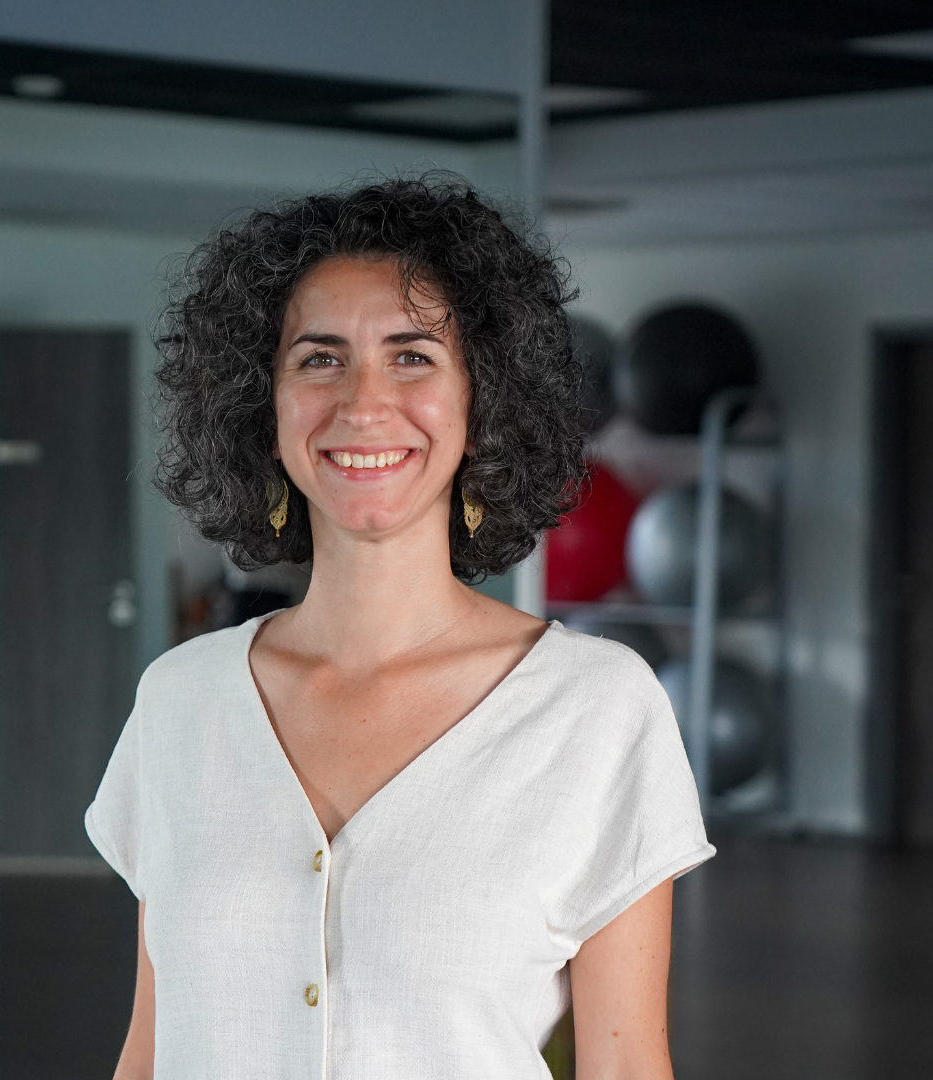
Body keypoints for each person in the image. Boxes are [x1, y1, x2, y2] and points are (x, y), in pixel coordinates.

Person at [86, 175, 714, 1080]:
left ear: (480, 400)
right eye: (320, 357)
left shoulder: (597, 708)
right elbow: (150, 1049)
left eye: (413, 356)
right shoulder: (180, 700)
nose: (364, 403)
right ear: (265, 410)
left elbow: (623, 1066)